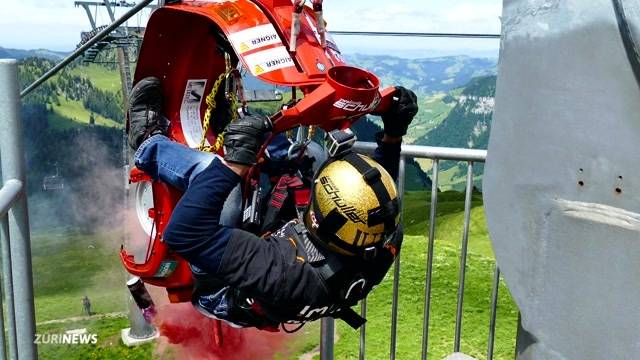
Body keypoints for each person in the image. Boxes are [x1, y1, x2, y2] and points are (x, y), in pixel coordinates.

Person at [128, 77, 418, 331]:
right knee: (309, 154)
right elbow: (377, 190)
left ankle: (147, 143)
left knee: (215, 180)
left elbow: (186, 234)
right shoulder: (382, 234)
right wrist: (394, 134)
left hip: (224, 290)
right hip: (296, 271)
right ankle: (233, 131)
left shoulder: (281, 269)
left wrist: (234, 165)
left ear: (317, 220)